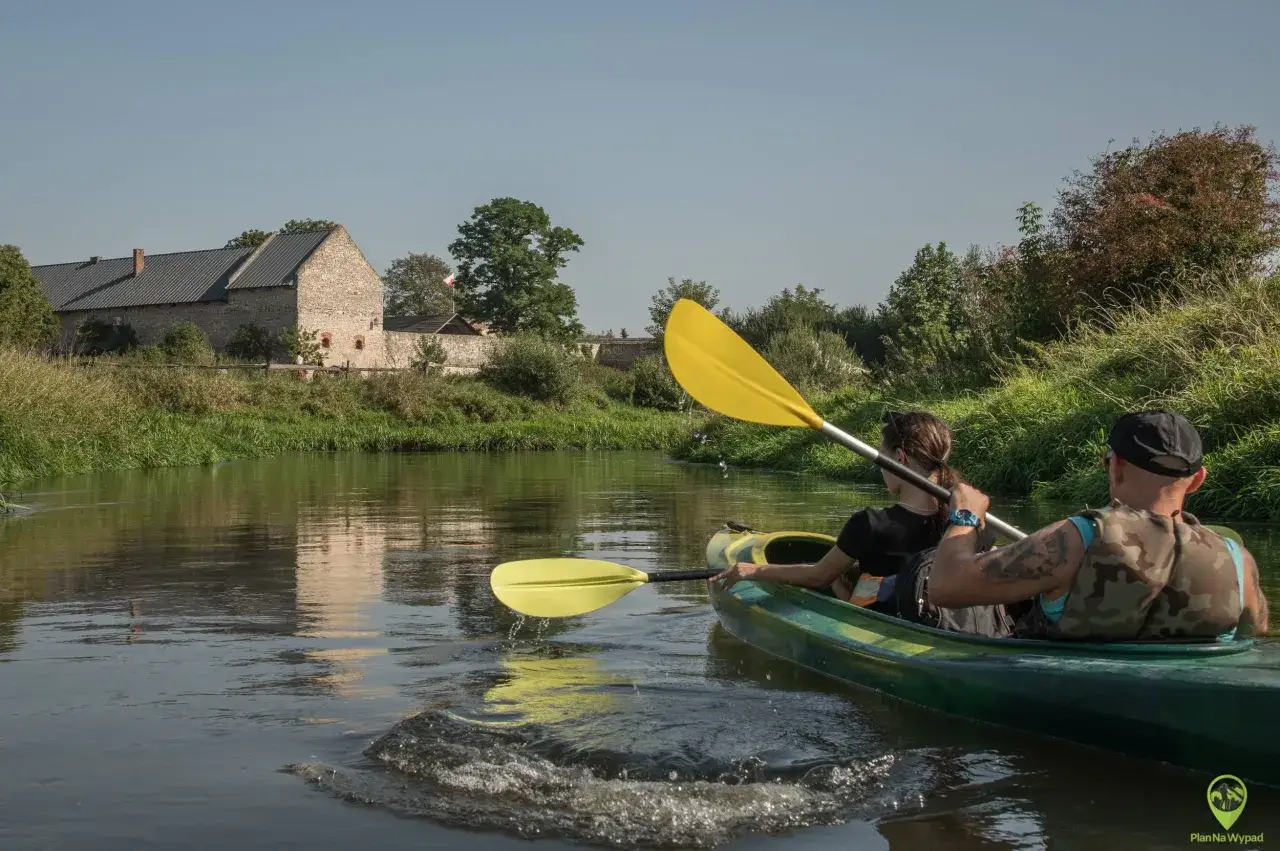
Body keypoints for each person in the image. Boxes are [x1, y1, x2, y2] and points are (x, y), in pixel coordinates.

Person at [928, 410, 1270, 641]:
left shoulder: (1080, 538)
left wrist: (965, 516)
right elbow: (1253, 635)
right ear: (1197, 481)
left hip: (1064, 705)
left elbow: (945, 587)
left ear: (1115, 467)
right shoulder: (1238, 560)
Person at [712, 410, 983, 609]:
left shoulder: (870, 524)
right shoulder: (964, 523)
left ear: (900, 458)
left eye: (882, 458)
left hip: (884, 623)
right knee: (847, 581)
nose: (879, 468)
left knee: (838, 579)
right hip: (932, 619)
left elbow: (818, 576)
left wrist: (751, 571)